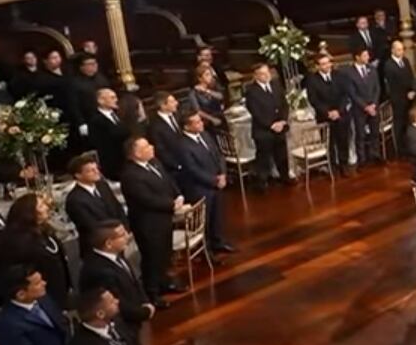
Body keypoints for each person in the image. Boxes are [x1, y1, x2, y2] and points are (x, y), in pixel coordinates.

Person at [81, 220, 161, 345]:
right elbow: (116, 303)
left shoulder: (116, 255)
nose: (128, 236)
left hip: (134, 315)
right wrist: (143, 312)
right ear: (108, 243)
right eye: (122, 235)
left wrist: (145, 301)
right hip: (123, 324)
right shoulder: (99, 270)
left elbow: (133, 280)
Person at [120, 137, 184, 296]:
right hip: (148, 223)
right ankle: (152, 292)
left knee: (164, 254)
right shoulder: (130, 175)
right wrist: (171, 204)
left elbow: (168, 180)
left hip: (164, 219)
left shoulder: (155, 162)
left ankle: (164, 282)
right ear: (136, 153)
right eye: (146, 146)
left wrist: (178, 195)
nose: (152, 147)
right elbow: (146, 198)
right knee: (152, 258)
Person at [174, 111, 235, 254]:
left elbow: (218, 155)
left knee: (217, 216)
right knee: (205, 220)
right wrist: (214, 180)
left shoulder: (205, 135)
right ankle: (206, 251)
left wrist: (223, 174)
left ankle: (218, 242)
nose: (201, 123)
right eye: (197, 122)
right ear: (187, 127)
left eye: (200, 120)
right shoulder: (182, 145)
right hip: (200, 188)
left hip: (217, 182)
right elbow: (192, 169)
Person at [65, 152, 128, 243]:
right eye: (91, 170)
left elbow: (117, 207)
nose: (96, 172)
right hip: (98, 243)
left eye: (96, 168)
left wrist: (124, 227)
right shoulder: (74, 199)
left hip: (118, 237)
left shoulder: (103, 186)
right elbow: (89, 224)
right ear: (78, 175)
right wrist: (114, 233)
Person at [242, 63, 289, 183]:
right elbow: (256, 112)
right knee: (264, 159)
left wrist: (282, 121)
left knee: (282, 156)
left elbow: (284, 105)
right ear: (256, 76)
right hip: (263, 131)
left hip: (280, 127)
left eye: (268, 72)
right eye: (263, 74)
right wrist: (271, 125)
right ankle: (262, 183)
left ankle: (285, 177)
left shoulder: (276, 85)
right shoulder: (251, 91)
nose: (267, 76)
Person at [304, 53, 348, 167]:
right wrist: (328, 112)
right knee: (329, 143)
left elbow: (345, 95)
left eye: (328, 63)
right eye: (323, 64)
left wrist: (339, 111)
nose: (327, 66)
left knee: (343, 141)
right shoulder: (312, 80)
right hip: (324, 117)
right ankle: (332, 166)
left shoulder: (339, 75)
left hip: (341, 114)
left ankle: (344, 164)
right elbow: (313, 100)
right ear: (317, 66)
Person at [343, 45, 382, 168]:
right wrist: (365, 107)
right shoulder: (349, 73)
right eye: (365, 55)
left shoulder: (372, 69)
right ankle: (362, 159)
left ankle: (375, 154)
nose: (368, 57)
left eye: (368, 55)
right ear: (357, 57)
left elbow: (377, 88)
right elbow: (352, 93)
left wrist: (374, 104)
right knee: (360, 134)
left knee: (375, 132)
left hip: (373, 106)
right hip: (360, 109)